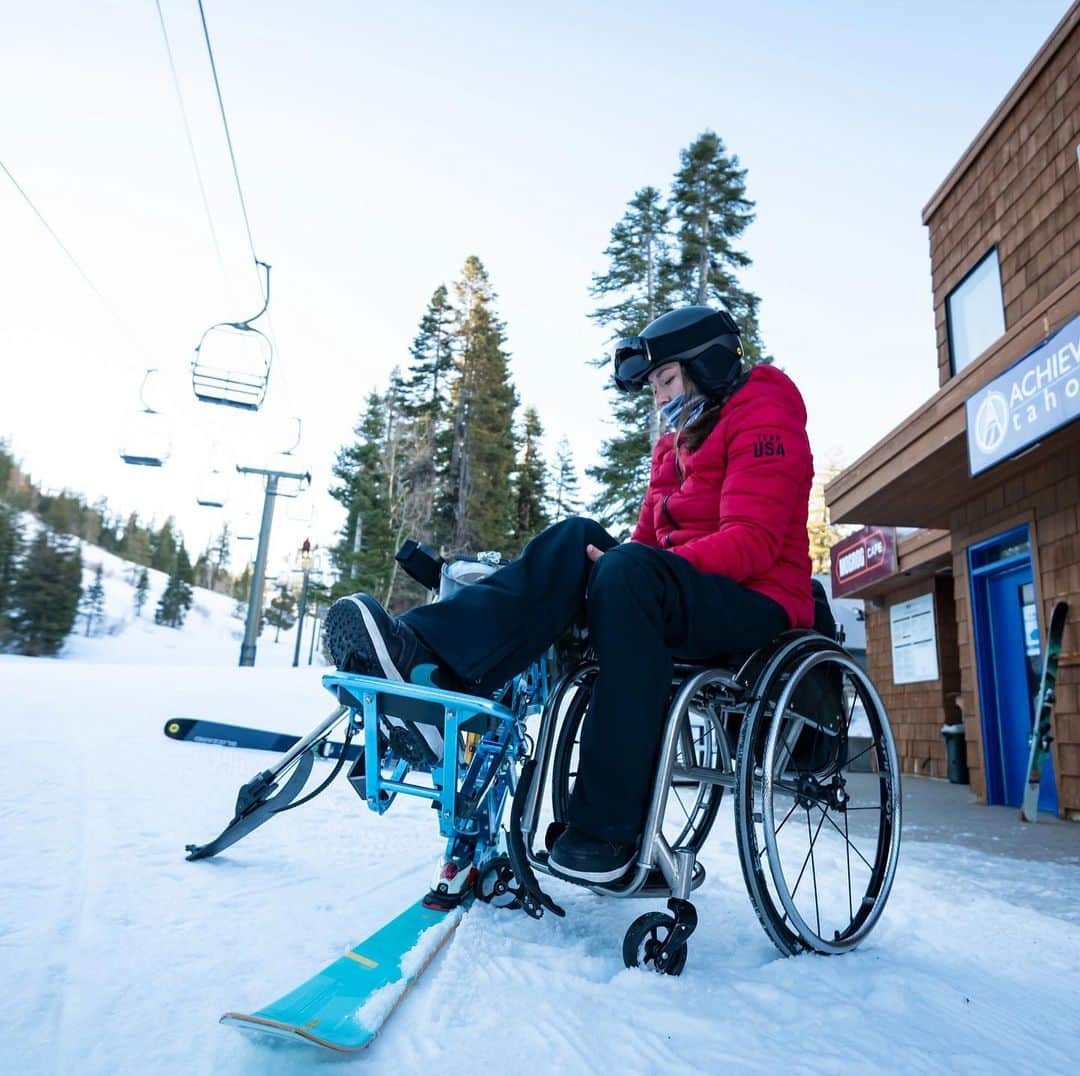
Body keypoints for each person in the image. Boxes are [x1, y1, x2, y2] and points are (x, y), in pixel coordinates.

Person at [325, 305, 814, 892]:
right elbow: (644, 544)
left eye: (665, 381)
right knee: (575, 539)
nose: (657, 399)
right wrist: (613, 570)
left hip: (756, 605)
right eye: (654, 387)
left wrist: (637, 571)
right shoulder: (673, 445)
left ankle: (608, 830)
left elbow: (753, 542)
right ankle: (428, 665)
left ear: (707, 367)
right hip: (683, 592)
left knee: (627, 571)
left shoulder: (764, 412)